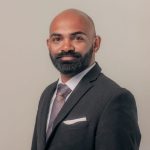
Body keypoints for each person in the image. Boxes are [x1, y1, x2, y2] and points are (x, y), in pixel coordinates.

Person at [31, 9, 141, 150]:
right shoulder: (48, 93)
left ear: (96, 44)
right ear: (48, 44)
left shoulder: (115, 98)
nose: (66, 47)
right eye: (57, 39)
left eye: (78, 38)